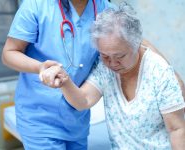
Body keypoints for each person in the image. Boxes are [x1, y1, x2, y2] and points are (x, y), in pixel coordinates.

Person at [40, 3, 185, 149]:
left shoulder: (159, 72)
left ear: (135, 44)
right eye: (105, 55)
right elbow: (83, 100)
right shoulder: (105, 68)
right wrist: (65, 81)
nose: (112, 63)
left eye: (120, 56)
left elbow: (177, 129)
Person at [2, 0, 119, 149]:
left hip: (77, 119)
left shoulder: (107, 10)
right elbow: (9, 53)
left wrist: (156, 61)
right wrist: (40, 67)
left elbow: (131, 42)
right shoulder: (37, 5)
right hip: (39, 117)